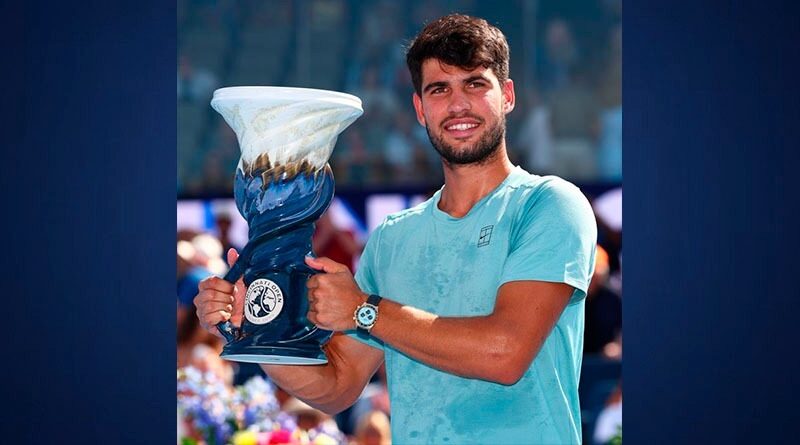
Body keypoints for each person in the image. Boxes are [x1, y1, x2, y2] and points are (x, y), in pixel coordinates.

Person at [195, 14, 596, 444]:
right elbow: (338, 385)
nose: (458, 105)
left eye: (475, 84)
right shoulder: (392, 238)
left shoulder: (550, 204)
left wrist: (363, 310)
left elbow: (505, 353)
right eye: (439, 89)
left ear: (508, 96)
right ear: (420, 109)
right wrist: (258, 324)